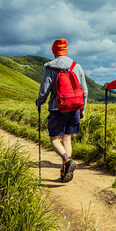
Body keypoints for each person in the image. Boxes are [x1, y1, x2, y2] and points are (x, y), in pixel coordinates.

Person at [36, 38, 88, 182]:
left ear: (54, 52)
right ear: (66, 51)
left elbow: (44, 89)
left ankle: (67, 161)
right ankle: (65, 171)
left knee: (54, 139)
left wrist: (39, 102)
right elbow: (84, 90)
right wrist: (82, 108)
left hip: (57, 107)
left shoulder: (50, 67)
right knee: (67, 138)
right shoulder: (76, 66)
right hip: (75, 107)